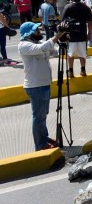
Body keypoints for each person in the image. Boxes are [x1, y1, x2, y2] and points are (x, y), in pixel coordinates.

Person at [18, 22, 65, 150]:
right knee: (38, 117)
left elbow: (53, 51)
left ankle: (43, 138)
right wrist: (58, 35)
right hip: (35, 87)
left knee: (43, 115)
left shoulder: (37, 43)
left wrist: (63, 38)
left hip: (43, 84)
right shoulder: (24, 45)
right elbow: (43, 48)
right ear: (29, 33)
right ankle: (40, 145)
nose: (40, 32)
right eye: (37, 30)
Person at [61, 0, 92, 78]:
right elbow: (90, 23)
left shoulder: (67, 7)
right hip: (82, 34)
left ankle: (70, 71)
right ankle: (83, 70)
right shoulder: (86, 8)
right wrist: (89, 33)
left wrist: (63, 34)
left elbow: (63, 22)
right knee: (82, 54)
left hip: (71, 34)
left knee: (70, 54)